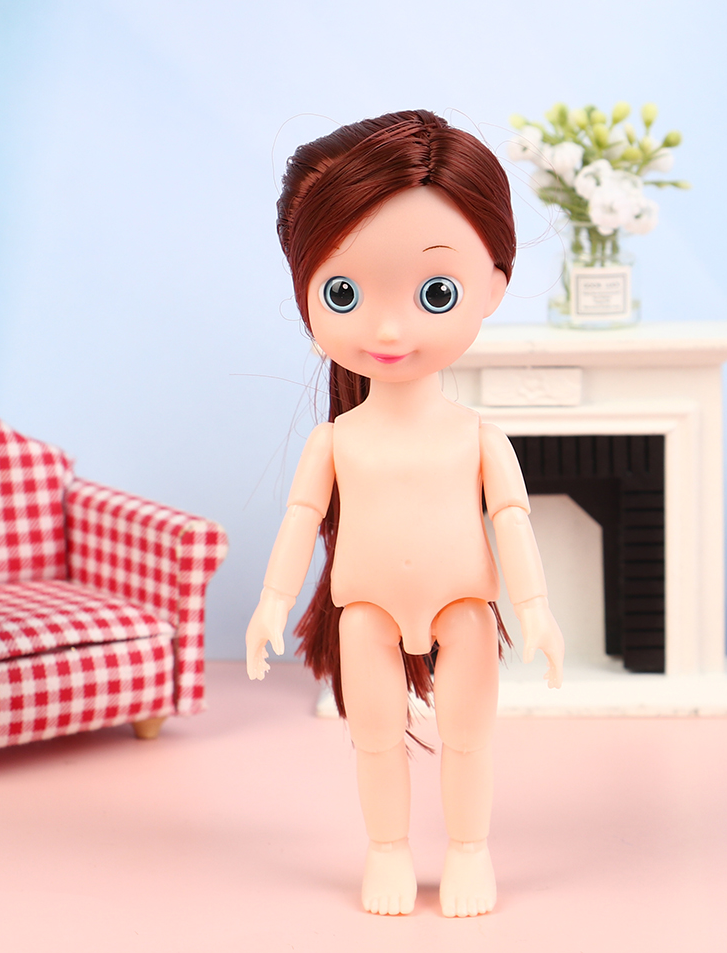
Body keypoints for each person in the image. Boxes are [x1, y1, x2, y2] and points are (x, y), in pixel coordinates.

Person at [246, 110, 564, 918]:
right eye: (344, 292)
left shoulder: (477, 436)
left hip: (462, 602)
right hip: (367, 607)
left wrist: (536, 609)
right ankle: (386, 850)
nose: (388, 328)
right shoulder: (336, 440)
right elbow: (300, 518)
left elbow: (513, 519)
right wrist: (272, 603)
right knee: (376, 738)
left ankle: (469, 851)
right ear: (306, 293)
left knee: (469, 737)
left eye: (435, 293)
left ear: (493, 287)